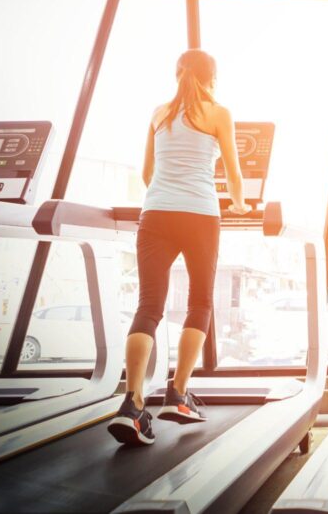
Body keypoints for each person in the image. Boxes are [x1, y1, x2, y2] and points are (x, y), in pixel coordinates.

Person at [108, 49, 250, 446]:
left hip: (155, 214)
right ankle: (178, 394)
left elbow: (147, 173)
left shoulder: (159, 112)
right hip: (200, 215)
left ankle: (132, 403)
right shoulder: (219, 112)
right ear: (213, 78)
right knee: (200, 302)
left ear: (178, 76)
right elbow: (234, 176)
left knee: (149, 307)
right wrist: (239, 204)